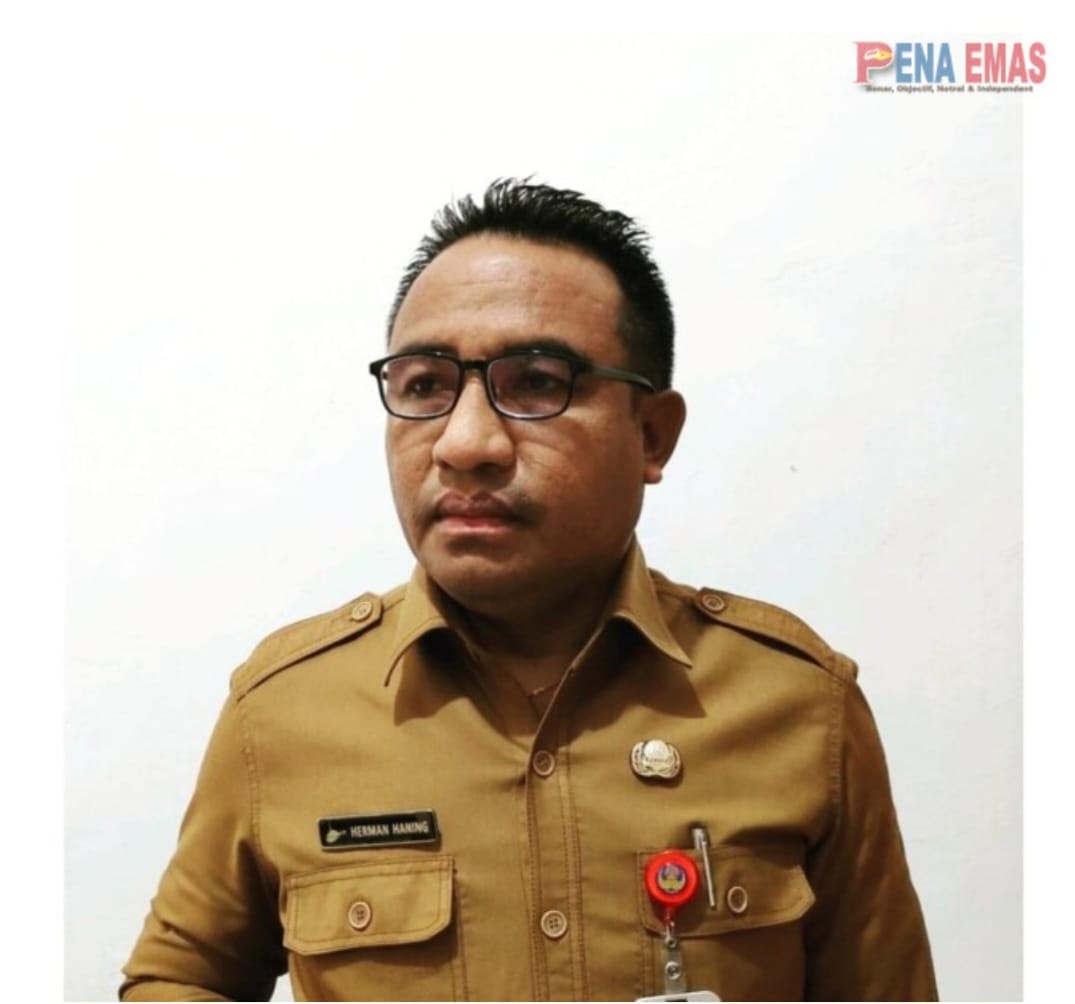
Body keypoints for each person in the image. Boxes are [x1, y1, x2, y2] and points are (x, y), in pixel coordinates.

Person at [120, 179, 937, 1002]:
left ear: (652, 435)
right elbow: (180, 975)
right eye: (424, 386)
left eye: (538, 382)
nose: (464, 443)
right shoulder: (284, 709)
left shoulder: (796, 704)